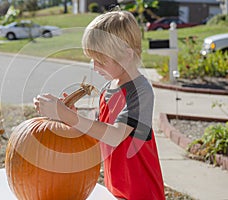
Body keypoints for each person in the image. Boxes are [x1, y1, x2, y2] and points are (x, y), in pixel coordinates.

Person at [34, 10, 165, 200]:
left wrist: (68, 116)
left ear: (127, 55)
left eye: (101, 61)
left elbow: (115, 135)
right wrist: (71, 117)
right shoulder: (107, 89)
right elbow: (100, 136)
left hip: (142, 192)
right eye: (92, 59)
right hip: (116, 190)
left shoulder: (140, 91)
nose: (94, 67)